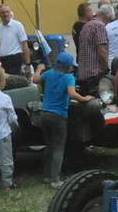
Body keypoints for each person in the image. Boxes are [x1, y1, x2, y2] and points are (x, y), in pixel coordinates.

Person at [33, 52, 93, 189]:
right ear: (68, 67)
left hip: (45, 113)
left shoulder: (49, 74)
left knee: (49, 145)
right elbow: (72, 93)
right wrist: (84, 99)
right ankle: (56, 180)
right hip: (58, 115)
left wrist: (39, 68)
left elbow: (35, 80)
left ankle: (47, 176)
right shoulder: (69, 78)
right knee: (59, 147)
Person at [76, 5, 109, 88]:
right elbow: (102, 51)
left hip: (83, 71)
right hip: (94, 72)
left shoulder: (87, 25)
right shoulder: (99, 26)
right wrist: (106, 69)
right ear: (107, 17)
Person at [0, 5, 30, 77]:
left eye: (7, 12)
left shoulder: (18, 25)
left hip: (14, 60)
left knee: (13, 84)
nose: (5, 14)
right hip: (1, 61)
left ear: (10, 12)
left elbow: (25, 46)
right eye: (3, 12)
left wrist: (28, 65)